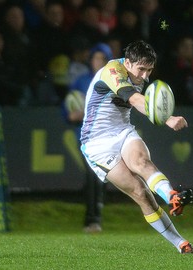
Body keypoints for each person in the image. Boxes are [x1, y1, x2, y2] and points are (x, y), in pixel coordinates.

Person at [79, 40, 193, 254]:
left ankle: (171, 196)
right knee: (140, 192)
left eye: (149, 70)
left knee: (141, 162)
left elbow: (144, 105)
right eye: (141, 69)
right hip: (97, 142)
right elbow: (133, 99)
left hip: (123, 130)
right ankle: (179, 242)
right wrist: (168, 118)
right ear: (128, 63)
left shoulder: (140, 74)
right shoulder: (112, 70)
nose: (144, 76)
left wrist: (159, 113)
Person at [64, 43, 113, 233]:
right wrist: (71, 114)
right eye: (96, 58)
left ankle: (93, 216)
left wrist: (86, 112)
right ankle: (93, 218)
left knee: (100, 176)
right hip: (86, 137)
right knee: (93, 175)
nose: (98, 62)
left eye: (102, 59)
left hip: (106, 136)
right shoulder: (81, 81)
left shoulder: (113, 82)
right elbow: (67, 106)